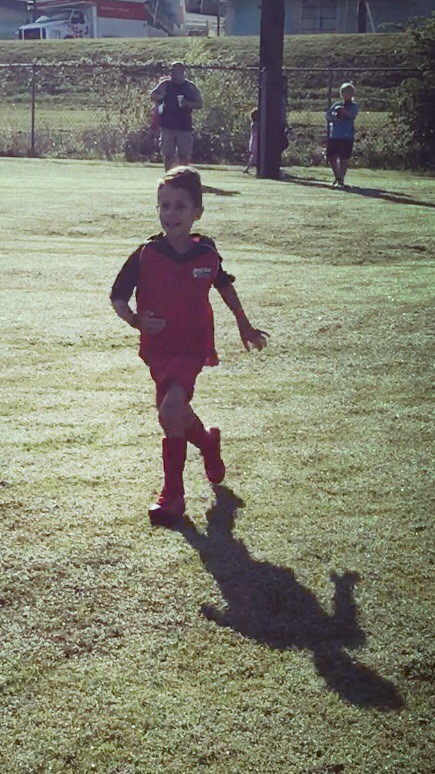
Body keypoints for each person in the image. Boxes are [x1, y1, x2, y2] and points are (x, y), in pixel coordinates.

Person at [110, 166, 269, 524]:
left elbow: (224, 285)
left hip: (193, 346)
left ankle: (173, 497)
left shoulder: (206, 252)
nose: (171, 214)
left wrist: (244, 325)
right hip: (158, 349)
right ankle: (208, 442)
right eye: (164, 206)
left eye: (180, 206)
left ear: (198, 211)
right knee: (176, 414)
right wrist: (136, 320)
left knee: (169, 411)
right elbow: (117, 296)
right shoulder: (147, 253)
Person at [150, 62, 203, 171]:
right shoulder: (165, 84)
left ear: (182, 71)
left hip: (184, 126)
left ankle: (183, 177)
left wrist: (187, 103)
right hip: (167, 125)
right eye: (171, 70)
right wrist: (161, 96)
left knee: (183, 156)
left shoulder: (190, 87)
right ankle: (168, 175)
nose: (172, 73)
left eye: (174, 70)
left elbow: (199, 104)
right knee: (168, 155)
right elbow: (153, 95)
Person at [325, 82, 359, 189]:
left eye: (348, 92)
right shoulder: (336, 105)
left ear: (352, 94)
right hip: (334, 135)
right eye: (344, 92)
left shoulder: (353, 106)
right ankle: (337, 177)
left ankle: (341, 179)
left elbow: (352, 115)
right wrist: (335, 117)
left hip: (346, 135)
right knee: (332, 157)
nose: (346, 94)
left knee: (343, 158)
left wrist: (343, 111)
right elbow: (328, 115)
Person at [243, 107, 259, 174]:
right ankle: (247, 168)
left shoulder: (254, 123)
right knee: (254, 156)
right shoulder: (254, 124)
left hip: (254, 141)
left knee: (254, 156)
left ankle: (248, 168)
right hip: (255, 141)